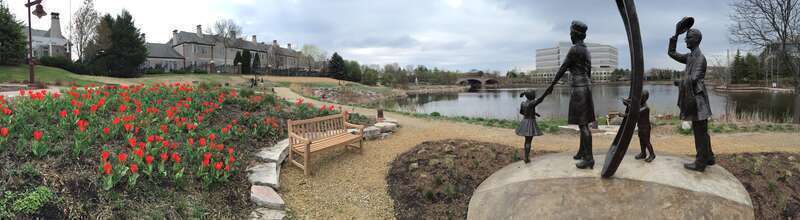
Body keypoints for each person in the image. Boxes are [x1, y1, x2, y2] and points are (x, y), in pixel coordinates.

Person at [536, 20, 596, 169]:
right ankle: (582, 151)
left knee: (583, 126)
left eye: (571, 33)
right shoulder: (586, 50)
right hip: (586, 87)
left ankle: (589, 159)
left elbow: (563, 68)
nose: (570, 35)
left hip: (579, 88)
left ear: (575, 34)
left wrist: (551, 86)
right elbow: (588, 72)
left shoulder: (575, 50)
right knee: (584, 124)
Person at [668, 17, 715, 172]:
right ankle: (709, 157)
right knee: (702, 131)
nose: (685, 41)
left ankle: (700, 163)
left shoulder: (700, 58)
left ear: (695, 40)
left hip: (698, 101)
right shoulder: (690, 57)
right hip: (695, 99)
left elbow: (694, 79)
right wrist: (675, 36)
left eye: (688, 38)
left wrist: (678, 82)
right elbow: (672, 53)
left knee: (700, 133)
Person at [618, 90, 656, 162]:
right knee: (641, 140)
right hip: (641, 127)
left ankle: (652, 154)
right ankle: (643, 153)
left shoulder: (645, 108)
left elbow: (634, 113)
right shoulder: (640, 105)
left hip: (645, 128)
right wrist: (626, 101)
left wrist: (623, 115)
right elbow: (633, 104)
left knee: (646, 141)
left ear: (644, 98)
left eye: (640, 97)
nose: (639, 99)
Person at [516, 90, 543, 163]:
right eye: (534, 94)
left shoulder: (523, 103)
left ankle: (526, 156)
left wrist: (533, 113)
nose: (535, 95)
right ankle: (526, 158)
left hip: (524, 122)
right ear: (531, 96)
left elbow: (522, 112)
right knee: (528, 141)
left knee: (526, 141)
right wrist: (546, 93)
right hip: (530, 123)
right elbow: (541, 99)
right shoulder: (532, 103)